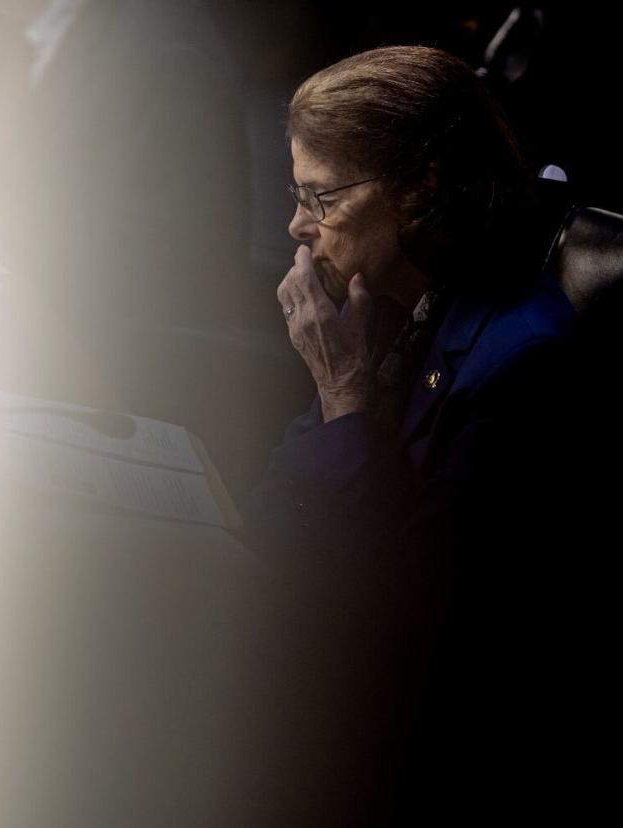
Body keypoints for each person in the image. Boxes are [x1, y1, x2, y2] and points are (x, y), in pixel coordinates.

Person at [241, 45, 589, 823]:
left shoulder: (527, 364)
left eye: (321, 197)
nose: (298, 226)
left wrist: (345, 392)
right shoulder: (396, 301)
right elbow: (273, 511)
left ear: (421, 189)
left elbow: (393, 615)